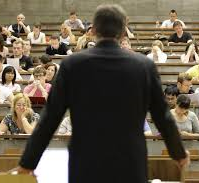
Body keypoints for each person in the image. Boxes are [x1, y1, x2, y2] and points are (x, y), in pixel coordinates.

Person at [17, 4, 189, 183]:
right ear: (124, 31)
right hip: (130, 163)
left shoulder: (72, 65)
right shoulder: (143, 66)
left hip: (85, 163)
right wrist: (179, 153)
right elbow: (162, 116)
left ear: (94, 29)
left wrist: (28, 162)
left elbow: (50, 117)